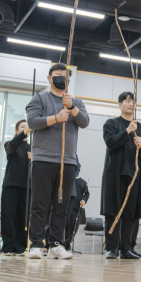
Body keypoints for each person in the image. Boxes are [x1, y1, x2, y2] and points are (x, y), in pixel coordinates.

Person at [26, 64, 90, 260]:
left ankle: (56, 244)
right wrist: (55, 118)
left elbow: (85, 122)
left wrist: (71, 108)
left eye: (65, 76)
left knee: (61, 206)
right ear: (49, 78)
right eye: (58, 75)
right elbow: (32, 122)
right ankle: (36, 244)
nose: (62, 78)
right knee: (40, 204)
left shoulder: (76, 101)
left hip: (67, 161)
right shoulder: (39, 98)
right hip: (43, 159)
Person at [101, 92, 141, 260]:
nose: (131, 104)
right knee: (112, 211)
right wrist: (128, 131)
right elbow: (111, 142)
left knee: (130, 213)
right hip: (114, 173)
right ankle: (111, 248)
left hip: (134, 174)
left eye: (133, 101)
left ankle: (126, 248)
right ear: (119, 104)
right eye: (127, 101)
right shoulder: (111, 123)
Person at [1, 119, 31, 256]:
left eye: (27, 127)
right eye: (22, 127)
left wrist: (33, 159)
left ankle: (20, 248)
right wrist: (22, 135)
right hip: (10, 185)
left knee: (22, 218)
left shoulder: (32, 148)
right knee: (8, 217)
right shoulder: (10, 144)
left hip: (26, 187)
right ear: (16, 130)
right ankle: (8, 247)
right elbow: (11, 148)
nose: (25, 129)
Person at [64, 155, 89, 251]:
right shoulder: (69, 181)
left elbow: (87, 194)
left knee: (74, 228)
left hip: (77, 210)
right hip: (68, 208)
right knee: (66, 227)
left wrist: (84, 200)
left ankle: (67, 245)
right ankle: (64, 245)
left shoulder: (83, 182)